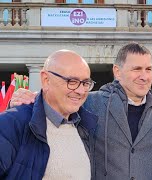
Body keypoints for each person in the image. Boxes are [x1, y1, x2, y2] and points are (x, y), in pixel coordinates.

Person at [9, 42, 152, 180]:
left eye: (148, 69)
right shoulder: (90, 101)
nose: (144, 76)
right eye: (137, 69)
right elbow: (57, 100)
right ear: (117, 71)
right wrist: (29, 98)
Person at [0, 50, 97, 179]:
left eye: (85, 83)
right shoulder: (10, 124)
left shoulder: (87, 126)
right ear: (46, 80)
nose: (80, 91)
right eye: (72, 81)